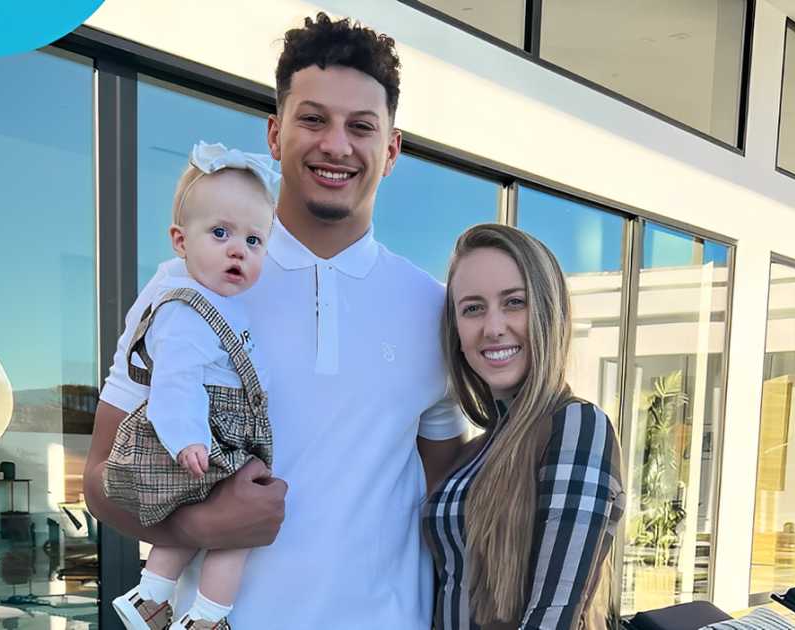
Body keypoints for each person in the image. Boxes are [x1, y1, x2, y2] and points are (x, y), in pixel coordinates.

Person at [83, 13, 466, 629]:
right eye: (313, 119)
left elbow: (448, 500)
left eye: (361, 126)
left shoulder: (434, 309)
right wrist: (200, 524)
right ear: (274, 133)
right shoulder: (186, 283)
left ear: (391, 149)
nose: (336, 144)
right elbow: (100, 477)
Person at [105, 142, 278, 630]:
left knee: (205, 514)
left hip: (219, 427)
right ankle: (203, 618)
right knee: (239, 530)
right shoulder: (182, 307)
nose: (236, 251)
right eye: (220, 233)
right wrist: (187, 438)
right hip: (209, 432)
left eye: (253, 241)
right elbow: (175, 381)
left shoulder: (225, 303)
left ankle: (151, 598)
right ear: (180, 241)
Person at [425, 224, 626, 629]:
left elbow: (553, 617)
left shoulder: (577, 426)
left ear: (549, 313)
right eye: (473, 308)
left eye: (514, 302)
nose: (493, 327)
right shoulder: (478, 449)